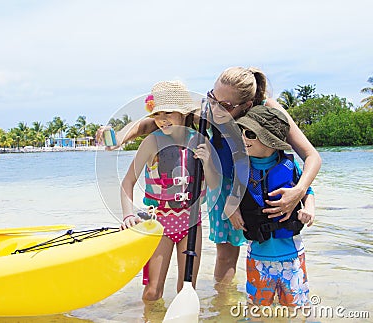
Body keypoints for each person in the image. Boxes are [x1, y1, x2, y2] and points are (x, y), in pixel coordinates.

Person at [108, 66, 322, 283]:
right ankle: (223, 306)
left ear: (247, 105)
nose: (214, 107)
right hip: (224, 184)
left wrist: (299, 191)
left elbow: (311, 156)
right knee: (226, 255)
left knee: (271, 243)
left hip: (259, 182)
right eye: (212, 96)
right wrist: (120, 137)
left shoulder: (268, 111)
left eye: (225, 105)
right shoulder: (209, 108)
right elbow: (151, 122)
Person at [120, 80, 220, 301]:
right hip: (159, 224)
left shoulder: (200, 141)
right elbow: (127, 182)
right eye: (157, 114)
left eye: (168, 113)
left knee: (187, 290)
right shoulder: (152, 143)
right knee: (153, 291)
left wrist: (207, 163)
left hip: (192, 222)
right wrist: (128, 214)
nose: (162, 120)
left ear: (183, 114)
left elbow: (214, 185)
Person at [234, 104, 314, 307]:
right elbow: (230, 192)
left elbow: (308, 191)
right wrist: (232, 210)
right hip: (258, 256)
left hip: (292, 256)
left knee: (296, 307)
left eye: (250, 134)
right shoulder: (242, 168)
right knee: (257, 307)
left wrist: (309, 209)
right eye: (242, 132)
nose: (244, 138)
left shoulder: (289, 165)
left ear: (270, 140)